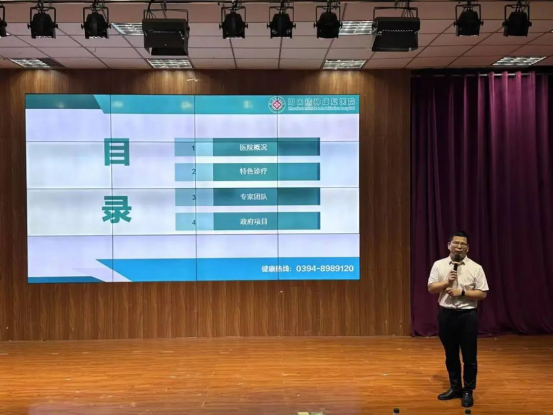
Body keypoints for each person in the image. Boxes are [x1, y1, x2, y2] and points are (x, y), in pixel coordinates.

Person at [427, 231, 489, 408]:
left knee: (469, 356)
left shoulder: (476, 267)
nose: (459, 247)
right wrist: (446, 283)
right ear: (449, 245)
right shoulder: (439, 265)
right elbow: (431, 288)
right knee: (451, 354)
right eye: (456, 243)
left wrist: (462, 292)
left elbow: (482, 294)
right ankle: (455, 387)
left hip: (467, 316)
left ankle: (468, 390)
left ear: (467, 248)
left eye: (463, 244)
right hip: (446, 315)